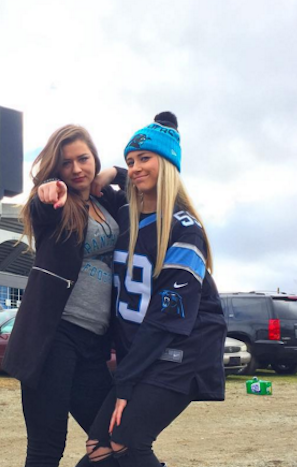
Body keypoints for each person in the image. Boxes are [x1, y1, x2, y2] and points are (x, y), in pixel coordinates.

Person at [78, 112, 227, 467]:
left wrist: (126, 382)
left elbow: (166, 318)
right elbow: (110, 185)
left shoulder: (185, 229)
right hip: (144, 352)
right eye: (131, 160)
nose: (136, 166)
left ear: (168, 163)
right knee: (98, 448)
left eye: (145, 158)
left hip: (182, 351)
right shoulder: (127, 215)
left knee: (126, 443)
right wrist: (114, 172)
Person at [2, 124, 128, 467]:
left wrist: (113, 173)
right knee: (47, 448)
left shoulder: (110, 201)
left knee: (118, 441)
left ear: (94, 159)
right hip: (53, 338)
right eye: (66, 163)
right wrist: (47, 192)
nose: (76, 169)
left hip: (95, 343)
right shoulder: (57, 204)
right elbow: (41, 205)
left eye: (83, 159)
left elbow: (146, 186)